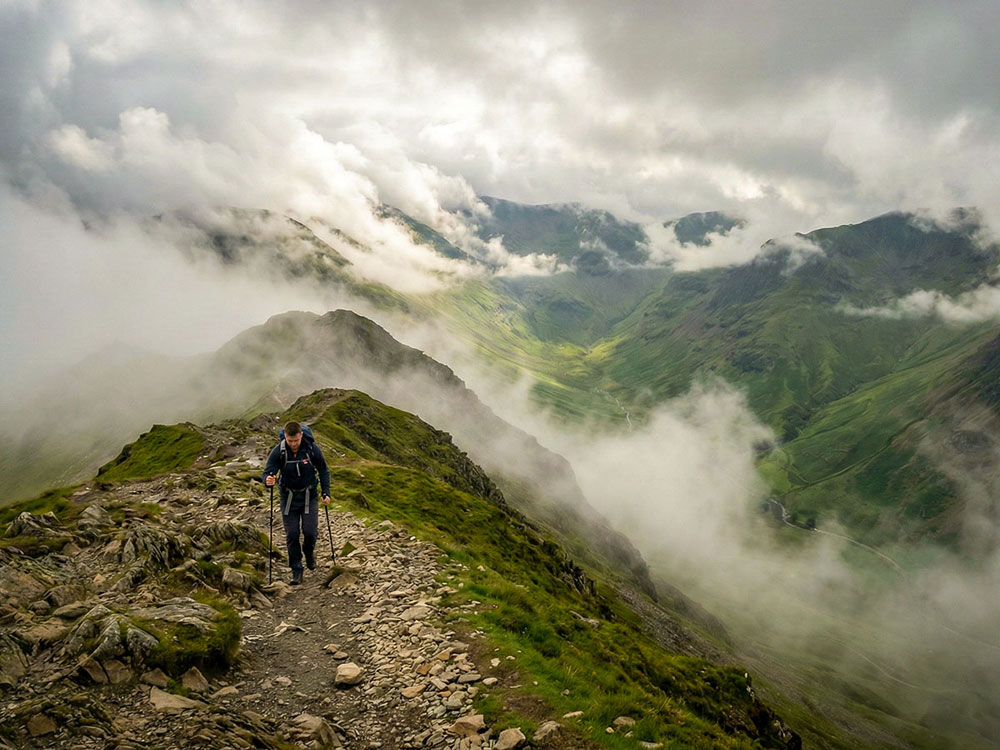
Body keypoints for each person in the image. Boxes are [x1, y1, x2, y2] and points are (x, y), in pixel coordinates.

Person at [263, 421, 331, 585]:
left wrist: (326, 492)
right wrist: (268, 480)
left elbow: (323, 469)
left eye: (296, 440)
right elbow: (267, 472)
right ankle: (296, 570)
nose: (293, 444)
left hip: (309, 496)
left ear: (301, 435)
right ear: (285, 437)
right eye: (290, 441)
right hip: (288, 498)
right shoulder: (279, 451)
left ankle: (309, 552)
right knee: (292, 535)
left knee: (310, 532)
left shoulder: (312, 449)